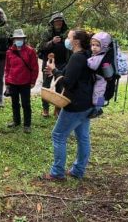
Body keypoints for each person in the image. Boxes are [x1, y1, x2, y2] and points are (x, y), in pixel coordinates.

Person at [42, 29, 94, 180]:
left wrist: (56, 72)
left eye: (69, 37)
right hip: (87, 103)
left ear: (76, 42)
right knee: (83, 137)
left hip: (75, 104)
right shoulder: (87, 55)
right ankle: (78, 170)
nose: (67, 40)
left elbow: (68, 82)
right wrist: (56, 71)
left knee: (58, 135)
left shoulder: (77, 57)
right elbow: (72, 75)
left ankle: (57, 172)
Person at [4, 29, 39, 133]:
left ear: (24, 39)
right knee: (15, 103)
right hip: (13, 82)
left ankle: (27, 124)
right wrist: (7, 82)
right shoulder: (9, 52)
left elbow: (34, 67)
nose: (19, 40)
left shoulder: (30, 51)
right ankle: (16, 121)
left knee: (26, 104)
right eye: (17, 38)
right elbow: (7, 68)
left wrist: (33, 81)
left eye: (21, 38)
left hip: (25, 82)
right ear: (14, 40)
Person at [37, 12, 70, 118]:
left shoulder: (66, 33)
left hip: (63, 64)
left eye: (60, 21)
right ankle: (45, 109)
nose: (58, 23)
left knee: (60, 87)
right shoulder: (47, 32)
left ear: (63, 22)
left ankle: (58, 110)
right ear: (52, 22)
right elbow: (41, 47)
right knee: (46, 86)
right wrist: (52, 42)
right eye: (56, 21)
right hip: (49, 63)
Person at [86, 32, 113, 118]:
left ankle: (98, 109)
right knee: (97, 93)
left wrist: (85, 62)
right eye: (92, 45)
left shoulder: (102, 56)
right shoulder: (98, 54)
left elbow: (93, 66)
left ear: (104, 46)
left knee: (99, 94)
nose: (94, 47)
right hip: (98, 77)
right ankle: (97, 107)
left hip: (101, 79)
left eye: (97, 45)